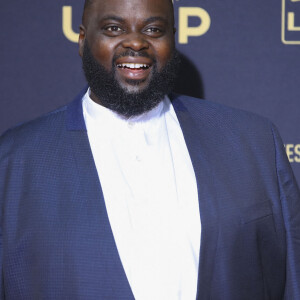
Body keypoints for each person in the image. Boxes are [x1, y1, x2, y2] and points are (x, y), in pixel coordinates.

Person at [0, 0, 299, 299]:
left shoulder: (252, 142)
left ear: (173, 39)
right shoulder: (14, 162)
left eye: (153, 29)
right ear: (82, 39)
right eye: (113, 28)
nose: (135, 42)